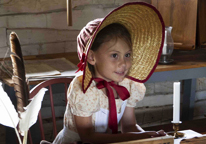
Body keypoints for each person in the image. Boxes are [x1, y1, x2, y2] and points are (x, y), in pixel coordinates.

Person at [52, 2, 166, 144]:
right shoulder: (84, 89)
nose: (123, 63)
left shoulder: (128, 84)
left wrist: (152, 137)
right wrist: (139, 137)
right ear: (92, 57)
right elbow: (88, 137)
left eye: (127, 55)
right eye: (114, 55)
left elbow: (129, 126)